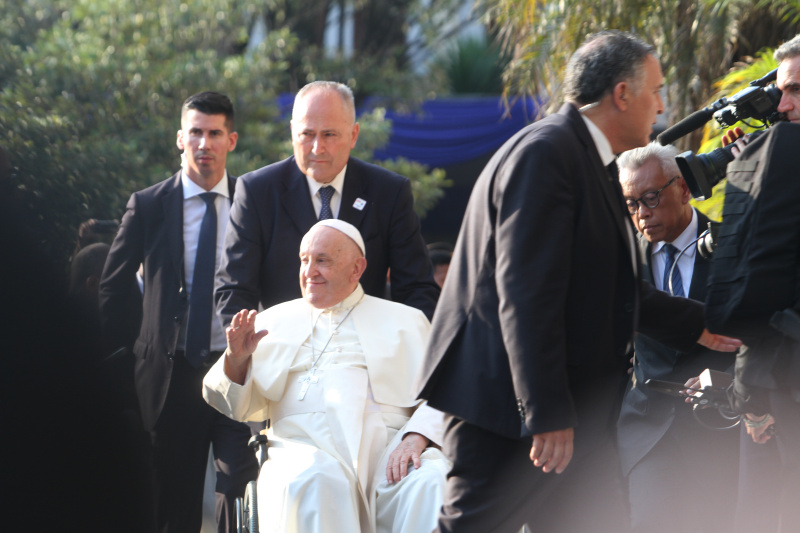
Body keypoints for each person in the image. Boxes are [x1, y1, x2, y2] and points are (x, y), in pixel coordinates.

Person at [415, 30, 742, 533]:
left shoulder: (590, 161)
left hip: (567, 413)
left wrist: (704, 324)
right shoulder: (547, 154)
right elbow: (525, 292)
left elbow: (616, 290)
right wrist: (544, 411)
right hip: (513, 414)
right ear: (622, 94)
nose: (660, 107)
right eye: (655, 91)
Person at [203, 219, 448, 533]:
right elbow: (232, 405)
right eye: (304, 260)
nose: (309, 271)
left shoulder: (406, 320)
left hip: (389, 452)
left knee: (430, 480)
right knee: (314, 480)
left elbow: (444, 394)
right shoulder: (272, 321)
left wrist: (415, 439)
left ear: (356, 268)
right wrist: (237, 359)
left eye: (322, 260)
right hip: (302, 447)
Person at [99, 91, 258, 533]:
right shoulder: (149, 204)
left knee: (239, 487)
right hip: (168, 378)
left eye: (214, 133)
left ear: (232, 140)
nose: (203, 143)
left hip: (235, 372)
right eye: (195, 133)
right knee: (172, 503)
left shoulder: (252, 202)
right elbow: (113, 287)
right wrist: (141, 349)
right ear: (179, 139)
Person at [215, 81, 440, 326]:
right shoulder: (257, 192)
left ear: (353, 135)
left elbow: (416, 288)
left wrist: (405, 348)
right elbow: (234, 289)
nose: (317, 148)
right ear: (293, 132)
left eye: (329, 135)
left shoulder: (387, 192)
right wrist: (253, 352)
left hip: (366, 350)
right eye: (307, 134)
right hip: (285, 349)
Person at [703, 33, 800, 532]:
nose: (784, 106)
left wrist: (751, 396)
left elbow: (757, 284)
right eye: (782, 91)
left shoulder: (782, 156)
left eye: (798, 91)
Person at [616, 143, 739, 533]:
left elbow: (756, 331)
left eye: (651, 197)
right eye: (631, 203)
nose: (642, 213)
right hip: (647, 432)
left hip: (720, 431)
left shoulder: (732, 246)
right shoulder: (619, 262)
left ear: (684, 189)